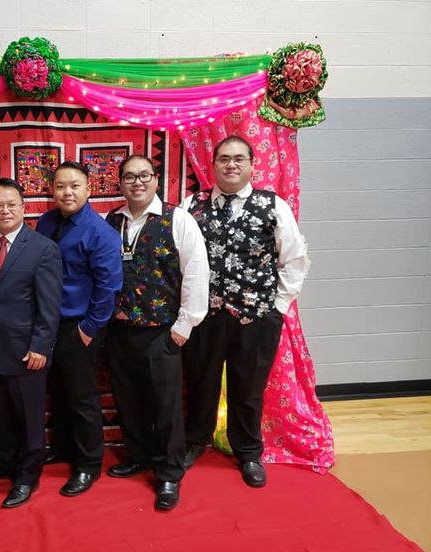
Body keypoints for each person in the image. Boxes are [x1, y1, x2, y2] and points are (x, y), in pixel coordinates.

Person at [182, 135, 309, 488]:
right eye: (224, 158)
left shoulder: (274, 206)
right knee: (200, 381)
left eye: (239, 159)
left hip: (257, 318)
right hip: (205, 318)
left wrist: (277, 309)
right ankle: (195, 441)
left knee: (248, 388)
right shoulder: (191, 204)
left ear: (253, 165)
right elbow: (180, 259)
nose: (231, 165)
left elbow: (294, 260)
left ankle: (249, 452)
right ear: (213, 165)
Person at [105, 154, 209, 511]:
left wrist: (183, 327)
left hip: (162, 330)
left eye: (144, 176)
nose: (137, 182)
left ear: (155, 180)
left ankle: (168, 472)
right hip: (119, 329)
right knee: (129, 398)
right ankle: (139, 455)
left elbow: (196, 272)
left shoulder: (177, 219)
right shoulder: (112, 220)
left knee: (165, 405)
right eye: (129, 177)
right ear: (120, 182)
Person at [35, 161, 123, 497]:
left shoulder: (99, 232)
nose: (67, 192)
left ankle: (88, 464)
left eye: (74, 186)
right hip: (49, 324)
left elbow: (108, 286)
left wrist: (89, 328)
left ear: (89, 189)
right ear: (52, 190)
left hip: (79, 326)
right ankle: (62, 447)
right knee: (57, 390)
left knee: (81, 396)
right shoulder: (46, 222)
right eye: (60, 186)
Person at [0, 178, 63, 508]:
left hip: (28, 350)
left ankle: (27, 476)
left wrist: (41, 345)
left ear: (25, 209)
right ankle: (5, 462)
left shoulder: (43, 248)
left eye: (12, 204)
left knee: (29, 416)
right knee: (1, 413)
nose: (5, 210)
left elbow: (49, 303)